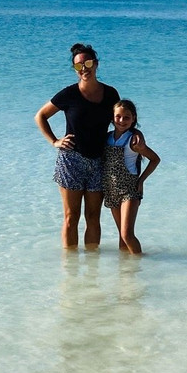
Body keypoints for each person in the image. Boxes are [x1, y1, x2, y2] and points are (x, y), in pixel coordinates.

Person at [35, 43, 121, 249]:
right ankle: (70, 272)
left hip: (99, 160)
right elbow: (41, 116)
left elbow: (120, 122)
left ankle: (92, 271)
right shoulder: (69, 94)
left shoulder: (110, 94)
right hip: (71, 161)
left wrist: (133, 140)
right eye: (78, 66)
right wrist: (55, 141)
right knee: (71, 216)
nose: (84, 69)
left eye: (88, 63)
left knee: (93, 217)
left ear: (96, 64)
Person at [102, 100, 160, 255]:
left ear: (133, 118)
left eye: (127, 117)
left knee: (127, 234)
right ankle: (126, 272)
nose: (122, 121)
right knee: (121, 236)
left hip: (130, 190)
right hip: (111, 190)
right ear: (112, 117)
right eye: (118, 117)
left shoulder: (134, 140)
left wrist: (141, 180)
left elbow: (155, 159)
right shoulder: (106, 137)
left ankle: (141, 264)